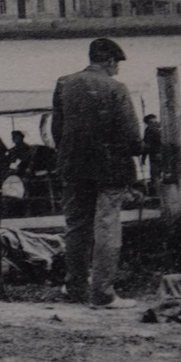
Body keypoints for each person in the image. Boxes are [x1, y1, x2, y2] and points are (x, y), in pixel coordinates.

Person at [51, 37, 144, 309]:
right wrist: (141, 150)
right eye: (117, 65)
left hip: (73, 165)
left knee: (76, 225)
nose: (117, 70)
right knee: (107, 226)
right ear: (110, 61)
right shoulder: (117, 88)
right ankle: (103, 293)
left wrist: (68, 154)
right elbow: (132, 136)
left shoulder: (63, 83)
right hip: (110, 168)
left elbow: (57, 129)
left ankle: (75, 286)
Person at [139, 113, 164, 188]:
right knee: (155, 176)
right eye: (151, 123)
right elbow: (146, 146)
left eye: (155, 122)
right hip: (155, 156)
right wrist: (143, 158)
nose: (154, 124)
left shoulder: (163, 129)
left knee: (160, 176)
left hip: (163, 155)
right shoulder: (148, 131)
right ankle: (157, 191)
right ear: (148, 124)